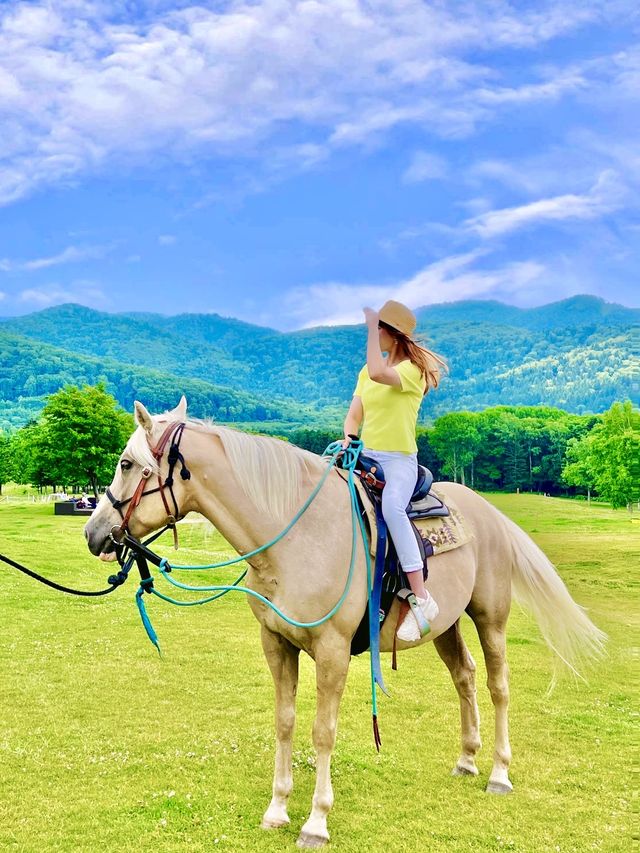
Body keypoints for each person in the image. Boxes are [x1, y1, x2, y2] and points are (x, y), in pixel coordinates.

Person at [343, 300, 447, 642]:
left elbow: (377, 372)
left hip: (399, 460)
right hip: (367, 456)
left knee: (391, 507)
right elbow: (355, 415)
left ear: (392, 335)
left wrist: (371, 326)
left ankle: (422, 597)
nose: (374, 337)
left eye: (378, 332)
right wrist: (348, 439)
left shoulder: (411, 372)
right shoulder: (364, 371)